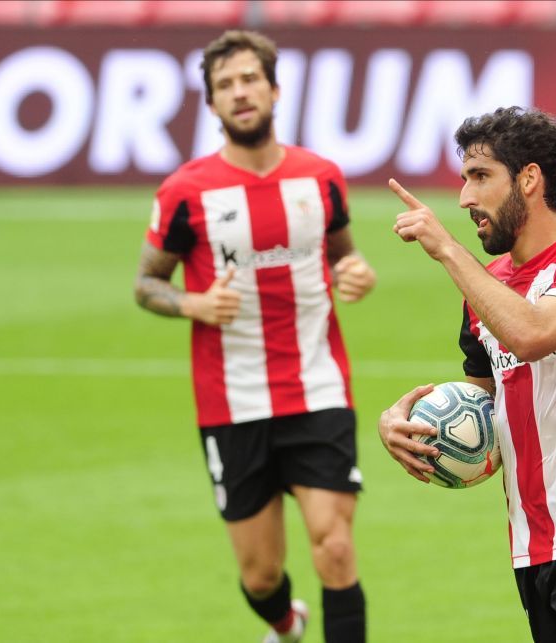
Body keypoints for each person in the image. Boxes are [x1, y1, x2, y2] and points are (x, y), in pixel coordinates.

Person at [378, 106, 556, 642]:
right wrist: (407, 423)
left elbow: (533, 335)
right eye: (464, 179)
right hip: (533, 547)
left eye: (480, 176)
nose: (464, 198)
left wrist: (447, 250)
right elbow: (484, 400)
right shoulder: (487, 288)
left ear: (529, 179)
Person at [134, 30, 375, 643]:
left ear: (274, 89)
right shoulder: (185, 191)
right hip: (232, 400)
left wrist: (356, 271)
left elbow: (344, 256)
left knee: (335, 547)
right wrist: (193, 303)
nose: (239, 93)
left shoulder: (321, 178)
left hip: (317, 387)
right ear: (211, 103)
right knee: (261, 575)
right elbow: (146, 284)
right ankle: (286, 624)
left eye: (249, 79)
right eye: (225, 85)